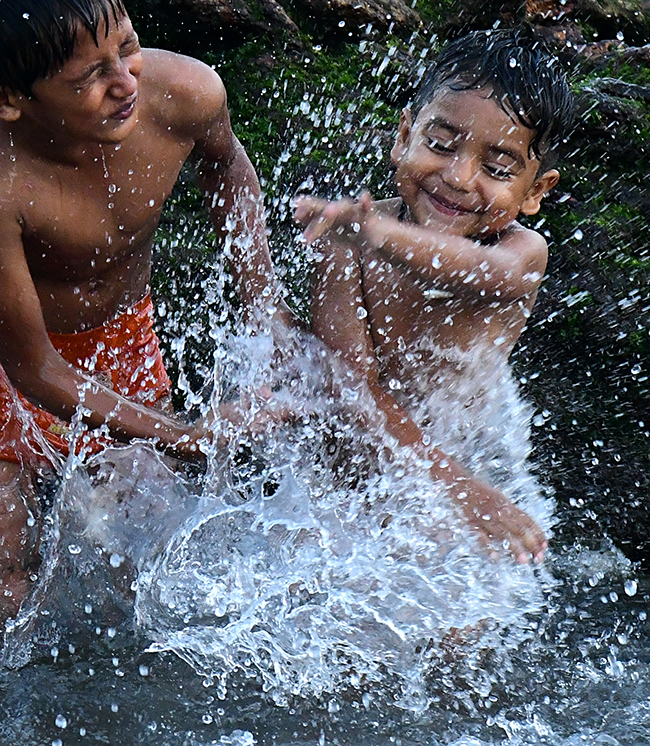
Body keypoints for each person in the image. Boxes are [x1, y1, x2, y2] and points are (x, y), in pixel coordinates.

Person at [0, 0, 290, 622]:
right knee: (9, 571)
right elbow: (33, 371)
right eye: (88, 79)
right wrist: (190, 436)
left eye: (127, 49)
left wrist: (266, 311)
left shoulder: (184, 93)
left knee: (158, 551)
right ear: (11, 99)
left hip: (119, 340)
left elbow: (229, 168)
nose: (125, 84)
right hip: (15, 359)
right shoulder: (7, 184)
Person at [295, 28, 575, 567]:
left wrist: (466, 492)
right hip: (339, 488)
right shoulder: (346, 242)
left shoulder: (521, 254)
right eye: (441, 144)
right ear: (404, 136)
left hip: (454, 486)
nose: (457, 176)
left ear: (536, 192)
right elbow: (349, 386)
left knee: (465, 621)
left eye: (496, 169)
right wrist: (459, 488)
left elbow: (476, 269)